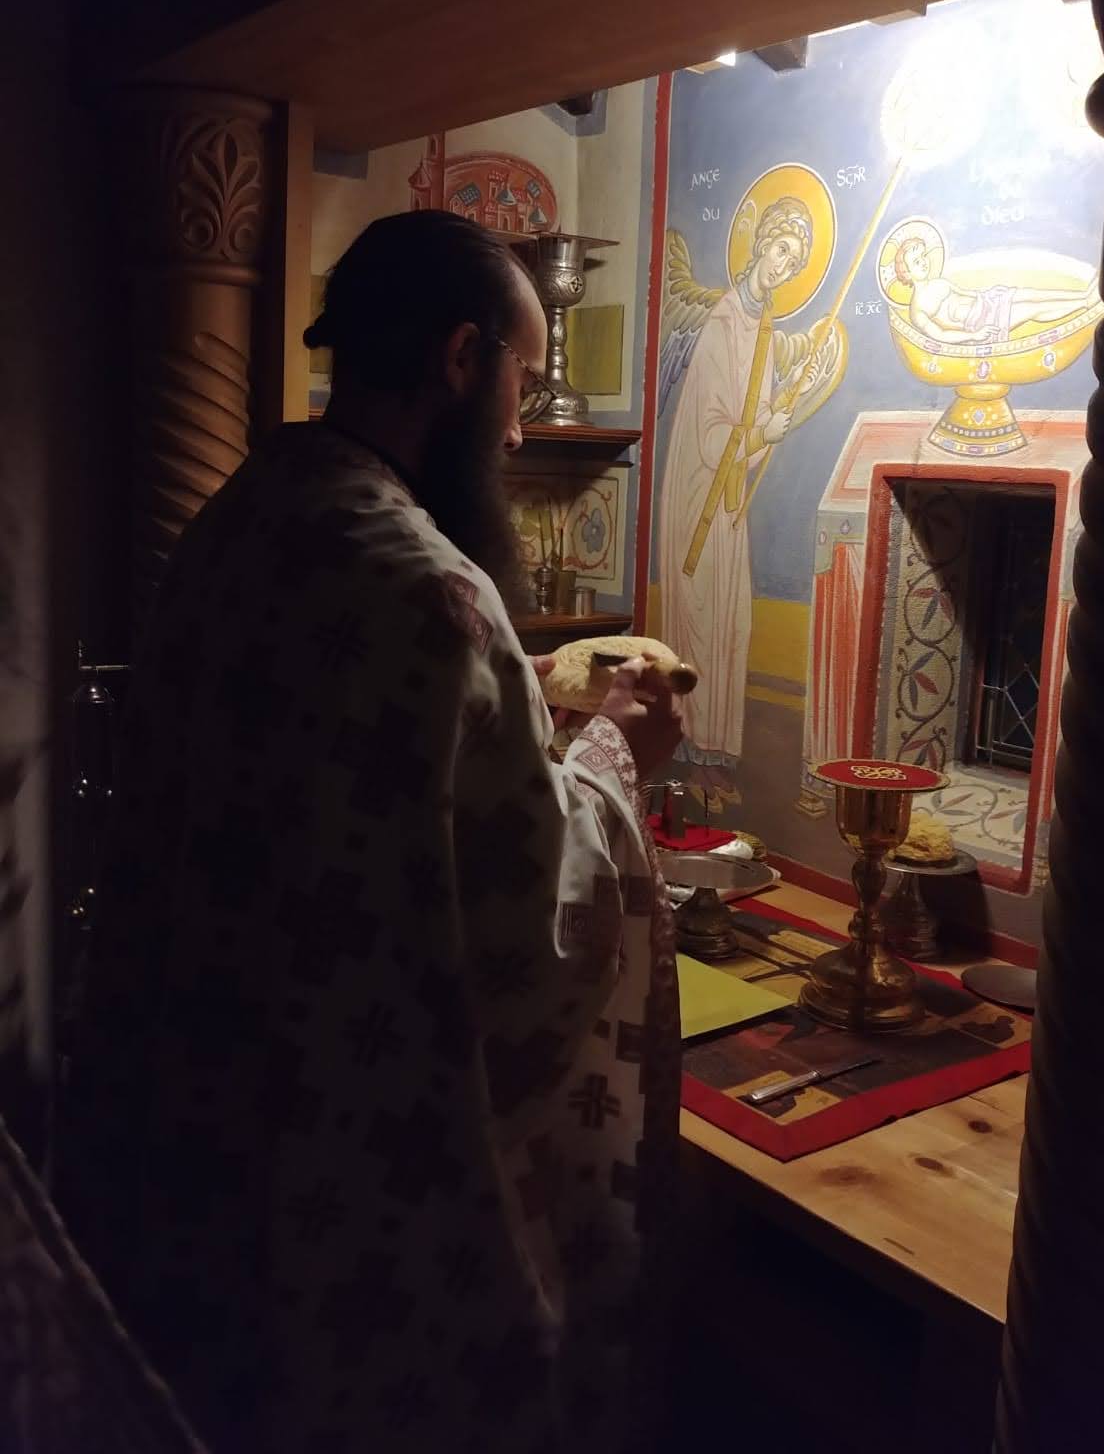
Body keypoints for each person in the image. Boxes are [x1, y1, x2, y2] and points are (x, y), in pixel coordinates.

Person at [60, 211, 683, 1454]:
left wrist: (520, 692)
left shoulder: (241, 523)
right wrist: (617, 748)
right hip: (359, 1198)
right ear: (461, 358)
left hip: (196, 1137)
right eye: (522, 384)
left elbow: (363, 771)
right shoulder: (435, 592)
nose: (520, 429)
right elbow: (532, 934)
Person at [657, 196, 842, 808]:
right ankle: (692, 757)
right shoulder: (722, 321)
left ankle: (716, 759)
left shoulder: (761, 329)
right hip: (699, 501)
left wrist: (783, 411)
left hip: (728, 503)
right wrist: (761, 431)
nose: (783, 266)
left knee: (731, 625)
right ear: (761, 244)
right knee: (701, 627)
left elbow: (752, 423)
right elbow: (712, 432)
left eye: (795, 261)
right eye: (781, 249)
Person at [895, 234, 1098, 344]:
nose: (923, 262)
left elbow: (965, 293)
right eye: (916, 262)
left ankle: (1082, 295)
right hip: (980, 322)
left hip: (986, 301)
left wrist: (989, 294)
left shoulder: (939, 283)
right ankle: (1084, 303)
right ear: (906, 273)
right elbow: (940, 334)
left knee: (1030, 294)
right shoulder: (918, 310)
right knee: (1031, 309)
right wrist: (974, 336)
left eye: (923, 256)